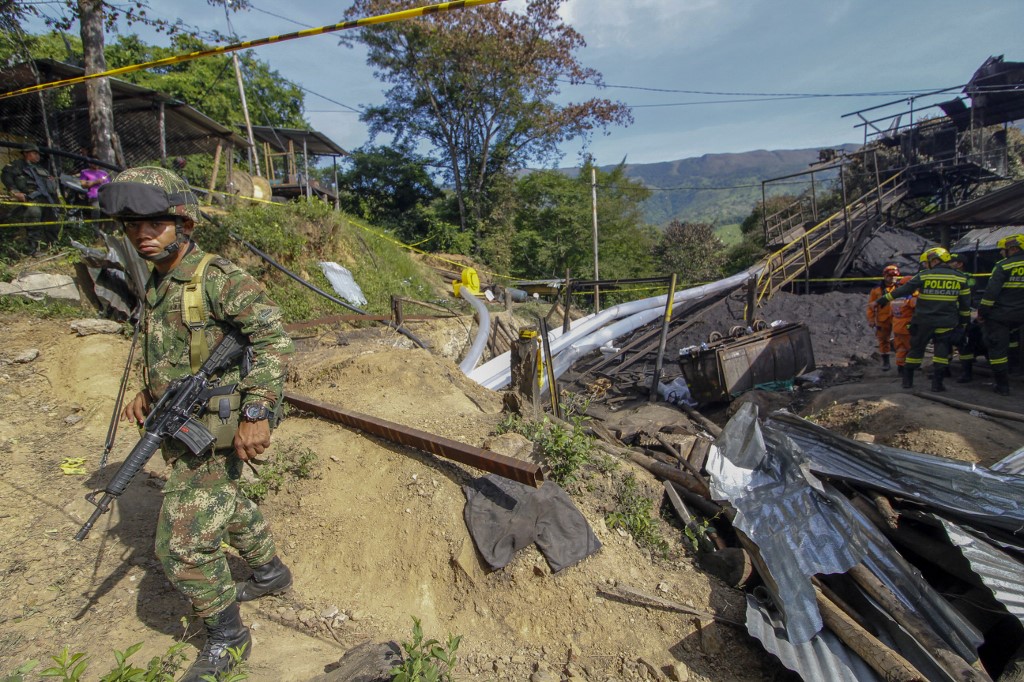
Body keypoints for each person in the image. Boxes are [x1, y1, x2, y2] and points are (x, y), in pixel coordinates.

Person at [100, 166, 296, 682]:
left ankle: (229, 639)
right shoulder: (161, 281)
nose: (142, 234)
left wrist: (257, 412)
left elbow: (273, 339)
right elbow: (177, 350)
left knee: (180, 545)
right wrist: (151, 391)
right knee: (228, 505)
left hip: (222, 423)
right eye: (132, 226)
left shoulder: (217, 278)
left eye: (155, 224)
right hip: (186, 419)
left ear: (183, 223)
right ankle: (271, 573)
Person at [876, 247, 971, 392]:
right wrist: (963, 323)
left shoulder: (924, 275)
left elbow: (903, 290)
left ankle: (907, 382)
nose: (925, 266)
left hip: (923, 322)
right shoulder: (960, 277)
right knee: (941, 353)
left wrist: (883, 299)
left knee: (916, 350)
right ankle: (937, 384)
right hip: (946, 323)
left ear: (934, 260)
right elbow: (965, 304)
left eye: (926, 263)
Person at [978, 234, 1024, 395]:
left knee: (997, 348)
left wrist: (982, 313)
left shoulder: (1003, 266)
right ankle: (1017, 369)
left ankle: (1002, 386)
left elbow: (991, 293)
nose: (1001, 253)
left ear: (1013, 248)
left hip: (1002, 315)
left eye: (1003, 250)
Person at [1, 143, 59, 249]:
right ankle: (34, 249)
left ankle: (54, 246)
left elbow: (51, 186)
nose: (38, 156)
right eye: (34, 153)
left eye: (38, 154)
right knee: (33, 217)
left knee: (53, 221)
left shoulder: (42, 169)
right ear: (26, 153)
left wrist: (52, 182)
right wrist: (15, 191)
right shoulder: (17, 165)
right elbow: (6, 176)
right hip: (31, 198)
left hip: (46, 198)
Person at [947, 252, 981, 383]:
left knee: (964, 343)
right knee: (944, 343)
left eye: (952, 262)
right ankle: (944, 370)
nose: (949, 264)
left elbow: (969, 295)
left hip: (963, 314)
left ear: (960, 264)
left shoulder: (968, 278)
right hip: (949, 314)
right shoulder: (948, 276)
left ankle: (967, 373)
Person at [866, 264, 901, 371]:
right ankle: (886, 363)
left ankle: (901, 363)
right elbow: (871, 306)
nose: (893, 278)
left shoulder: (900, 288)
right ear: (885, 276)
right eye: (890, 276)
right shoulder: (876, 290)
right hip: (883, 319)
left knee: (900, 340)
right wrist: (871, 320)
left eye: (895, 276)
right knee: (883, 341)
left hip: (897, 319)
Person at [889, 274, 918, 378]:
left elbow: (890, 313)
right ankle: (910, 369)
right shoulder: (909, 299)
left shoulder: (895, 298)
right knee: (910, 348)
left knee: (900, 348)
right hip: (906, 327)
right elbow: (917, 307)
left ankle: (900, 367)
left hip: (896, 326)